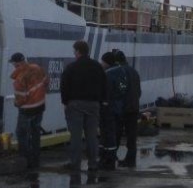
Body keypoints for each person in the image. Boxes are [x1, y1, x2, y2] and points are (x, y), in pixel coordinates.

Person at [60, 40, 106, 172]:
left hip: (75, 104)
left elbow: (64, 86)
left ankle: (75, 164)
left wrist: (65, 102)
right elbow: (104, 84)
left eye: (74, 51)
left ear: (78, 51)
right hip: (93, 104)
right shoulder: (97, 66)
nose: (74, 53)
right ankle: (93, 164)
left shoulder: (71, 67)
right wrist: (102, 100)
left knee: (76, 136)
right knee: (92, 136)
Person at [9, 52, 47, 171]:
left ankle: (25, 160)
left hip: (27, 110)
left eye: (14, 64)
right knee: (35, 133)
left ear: (17, 64)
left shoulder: (20, 78)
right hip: (40, 106)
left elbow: (21, 99)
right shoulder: (37, 68)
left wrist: (16, 103)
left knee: (22, 134)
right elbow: (46, 82)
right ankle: (35, 160)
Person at [99, 51, 128, 170]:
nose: (101, 63)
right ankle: (111, 156)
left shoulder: (108, 74)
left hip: (108, 108)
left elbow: (105, 92)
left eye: (102, 61)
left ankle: (107, 159)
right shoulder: (122, 71)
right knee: (114, 133)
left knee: (107, 134)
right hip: (118, 107)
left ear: (107, 62)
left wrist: (104, 103)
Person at [113, 49, 141, 167]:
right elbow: (138, 91)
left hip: (122, 108)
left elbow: (118, 91)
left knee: (116, 134)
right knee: (131, 136)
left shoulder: (119, 72)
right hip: (134, 107)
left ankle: (111, 157)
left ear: (116, 61)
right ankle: (131, 160)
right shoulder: (134, 72)